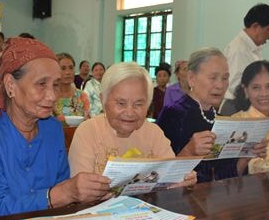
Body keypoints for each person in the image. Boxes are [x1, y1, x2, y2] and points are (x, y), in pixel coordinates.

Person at [0, 37, 112, 220]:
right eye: (41, 84)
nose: (51, 96)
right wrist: (61, 194)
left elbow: (63, 190)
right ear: (10, 85)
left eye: (55, 85)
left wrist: (89, 195)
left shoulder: (53, 128)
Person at [68, 61, 197, 187]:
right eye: (121, 103)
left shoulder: (154, 132)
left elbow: (169, 176)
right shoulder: (88, 131)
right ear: (103, 100)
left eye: (139, 104)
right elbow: (82, 190)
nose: (130, 112)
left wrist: (181, 179)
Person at [157, 47, 266, 182]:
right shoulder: (173, 114)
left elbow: (225, 177)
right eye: (213, 78)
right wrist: (189, 151)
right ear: (191, 78)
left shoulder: (222, 119)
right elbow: (158, 176)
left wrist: (247, 156)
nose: (220, 85)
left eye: (225, 78)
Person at [221, 3, 269, 115]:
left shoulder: (251, 48)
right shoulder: (239, 50)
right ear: (256, 26)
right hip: (237, 107)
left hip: (247, 105)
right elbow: (235, 85)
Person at [54, 52, 90, 123]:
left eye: (71, 68)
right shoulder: (50, 96)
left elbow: (87, 121)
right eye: (63, 68)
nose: (68, 72)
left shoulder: (82, 96)